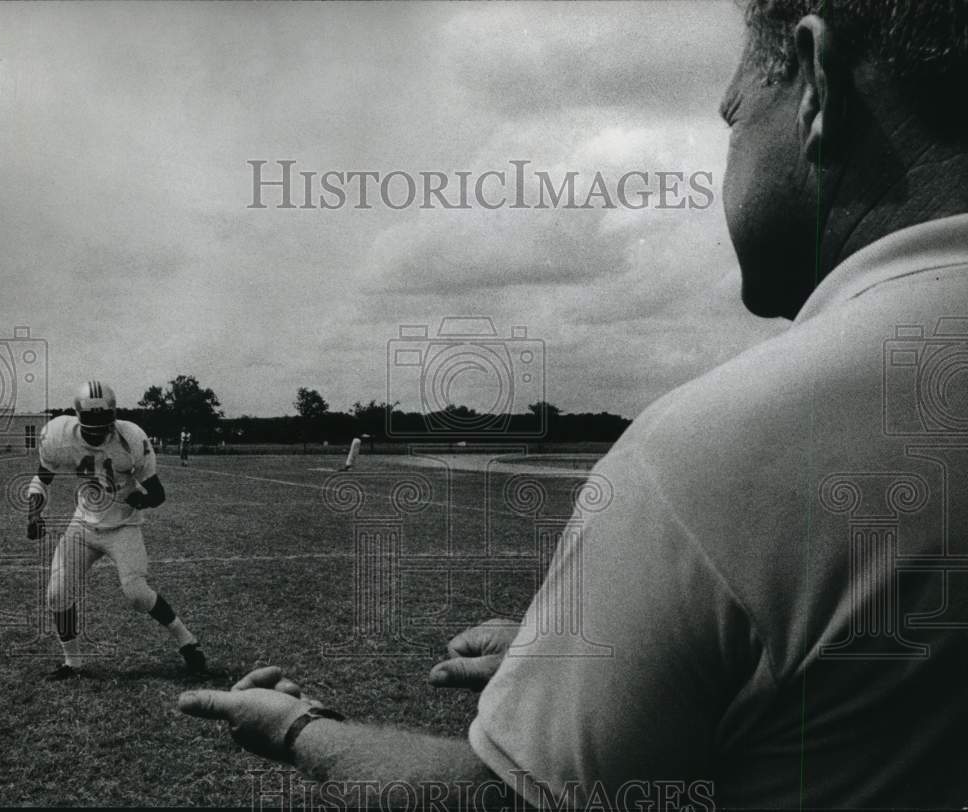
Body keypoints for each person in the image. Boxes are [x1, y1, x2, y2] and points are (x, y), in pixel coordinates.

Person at [179, 2, 967, 808]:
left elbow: (507, 800)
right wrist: (617, 662)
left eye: (732, 116)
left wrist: (298, 728)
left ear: (816, 84)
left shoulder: (717, 448)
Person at [28, 381, 211, 680]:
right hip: (83, 524)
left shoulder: (131, 437)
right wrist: (33, 513)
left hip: (123, 526)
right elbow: (41, 479)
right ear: (77, 418)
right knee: (57, 593)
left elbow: (158, 493)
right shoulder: (59, 435)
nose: (98, 433)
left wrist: (144, 499)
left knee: (137, 594)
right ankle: (72, 663)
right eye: (91, 426)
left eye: (104, 425)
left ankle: (188, 642)